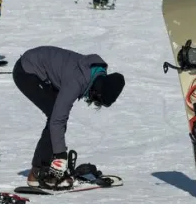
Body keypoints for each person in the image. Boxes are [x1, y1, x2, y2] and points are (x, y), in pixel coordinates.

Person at [12, 46, 124, 188]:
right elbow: (58, 120)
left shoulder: (96, 74)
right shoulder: (77, 81)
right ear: (98, 90)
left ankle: (50, 165)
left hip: (43, 70)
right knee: (55, 115)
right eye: (97, 99)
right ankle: (37, 172)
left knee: (56, 115)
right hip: (27, 71)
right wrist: (60, 154)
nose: (93, 101)